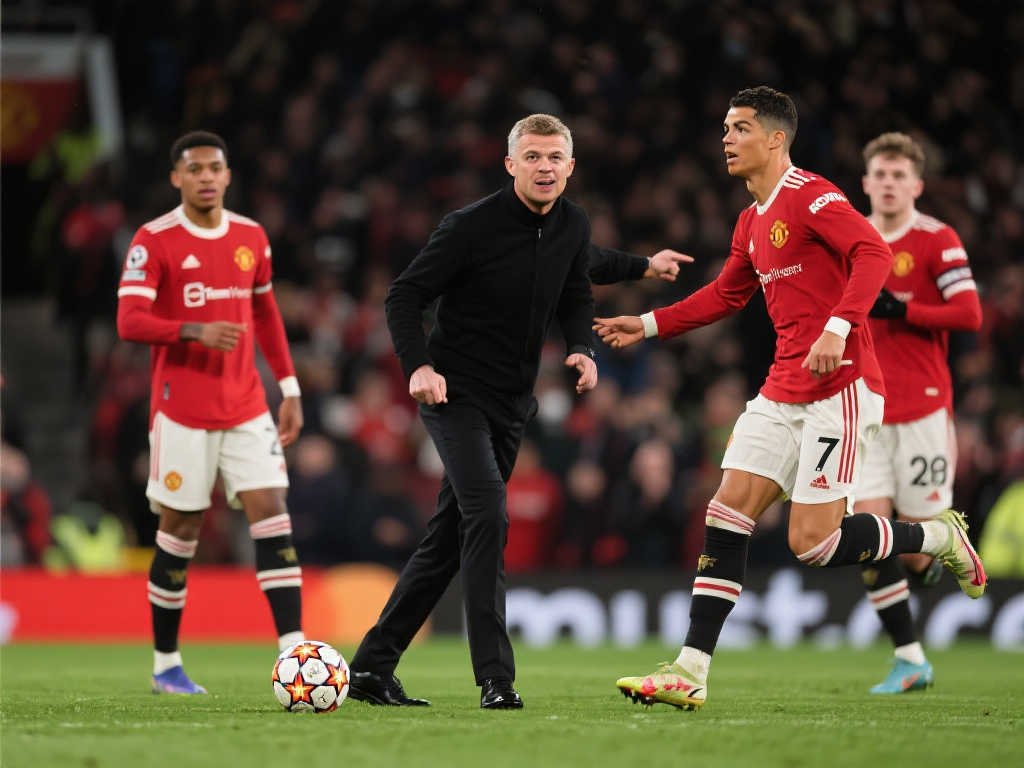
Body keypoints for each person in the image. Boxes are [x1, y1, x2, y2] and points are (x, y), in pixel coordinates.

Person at [593, 87, 987, 710]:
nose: (726, 138)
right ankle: (690, 670)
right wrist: (646, 324)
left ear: (776, 139)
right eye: (725, 128)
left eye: (740, 128)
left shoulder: (811, 194)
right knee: (726, 513)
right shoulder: (751, 220)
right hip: (782, 389)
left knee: (814, 544)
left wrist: (838, 327)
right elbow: (726, 294)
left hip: (842, 389)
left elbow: (873, 251)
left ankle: (936, 539)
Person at [347, 113, 675, 710]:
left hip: (512, 405)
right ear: (510, 165)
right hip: (453, 396)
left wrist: (585, 344)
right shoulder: (469, 226)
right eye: (532, 157)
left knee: (449, 540)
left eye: (554, 158)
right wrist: (418, 366)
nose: (544, 167)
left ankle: (371, 666)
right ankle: (495, 677)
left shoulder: (571, 225)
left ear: (570, 167)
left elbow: (581, 275)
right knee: (489, 514)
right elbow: (405, 294)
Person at [116, 131, 305, 694]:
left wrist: (289, 387)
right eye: (194, 169)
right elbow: (129, 321)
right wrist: (192, 330)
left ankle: (295, 654)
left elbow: (266, 314)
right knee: (180, 528)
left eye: (214, 168)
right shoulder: (154, 240)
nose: (205, 177)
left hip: (246, 405)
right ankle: (166, 664)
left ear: (227, 176)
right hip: (181, 411)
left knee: (272, 511)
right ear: (176, 177)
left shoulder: (251, 236)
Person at [852, 132, 983, 694]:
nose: (888, 184)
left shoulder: (937, 239)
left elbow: (970, 314)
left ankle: (940, 549)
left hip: (924, 410)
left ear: (917, 185)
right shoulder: (851, 238)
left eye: (898, 176)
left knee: (914, 558)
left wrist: (905, 309)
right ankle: (909, 658)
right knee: (866, 532)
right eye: (880, 174)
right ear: (866, 182)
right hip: (865, 409)